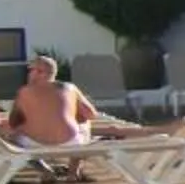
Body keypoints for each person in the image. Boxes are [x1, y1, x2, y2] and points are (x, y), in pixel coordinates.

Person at [11, 54, 167, 149]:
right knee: (87, 125)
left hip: (33, 145)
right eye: (29, 70)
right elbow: (90, 114)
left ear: (41, 73)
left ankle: (46, 171)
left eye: (32, 70)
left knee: (14, 137)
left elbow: (14, 122)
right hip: (71, 143)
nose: (30, 74)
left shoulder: (24, 92)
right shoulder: (69, 88)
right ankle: (73, 171)